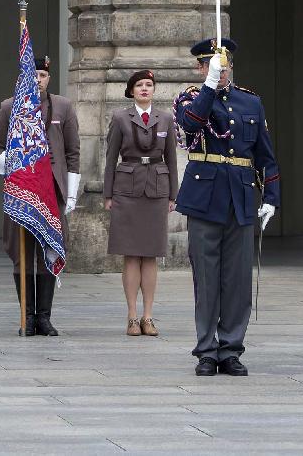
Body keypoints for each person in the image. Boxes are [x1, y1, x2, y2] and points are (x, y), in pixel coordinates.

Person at [174, 38, 280, 377]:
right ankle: (207, 351)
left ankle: (231, 349)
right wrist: (208, 86)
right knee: (206, 280)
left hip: (242, 198)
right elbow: (191, 123)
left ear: (230, 65)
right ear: (200, 68)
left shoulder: (250, 101)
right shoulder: (191, 97)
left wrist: (272, 199)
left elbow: (265, 155)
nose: (216, 71)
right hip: (205, 198)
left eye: (220, 65)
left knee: (237, 282)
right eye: (208, 66)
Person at [0, 56, 80, 336]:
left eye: (42, 75)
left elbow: (72, 152)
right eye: (33, 75)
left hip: (51, 191)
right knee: (22, 253)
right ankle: (26, 316)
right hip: (22, 190)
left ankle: (44, 316)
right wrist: (15, 160)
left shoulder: (63, 107)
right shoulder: (9, 107)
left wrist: (72, 193)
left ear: (48, 78)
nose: (37, 80)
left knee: (48, 249)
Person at [103, 70, 178, 336]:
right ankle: (132, 316)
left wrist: (173, 195)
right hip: (127, 190)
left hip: (157, 189)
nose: (144, 89)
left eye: (149, 85)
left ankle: (148, 316)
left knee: (151, 254)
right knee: (131, 254)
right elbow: (111, 158)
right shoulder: (121, 117)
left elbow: (171, 157)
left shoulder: (166, 118)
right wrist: (108, 195)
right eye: (139, 85)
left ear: (154, 90)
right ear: (131, 90)